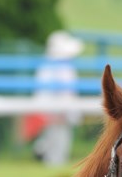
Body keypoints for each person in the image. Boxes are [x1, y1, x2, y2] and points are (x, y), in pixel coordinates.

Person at [22, 30, 84, 165]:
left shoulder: (49, 66)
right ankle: (46, 155)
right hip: (56, 110)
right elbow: (62, 93)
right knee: (58, 144)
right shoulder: (59, 68)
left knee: (55, 140)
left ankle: (43, 150)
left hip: (55, 110)